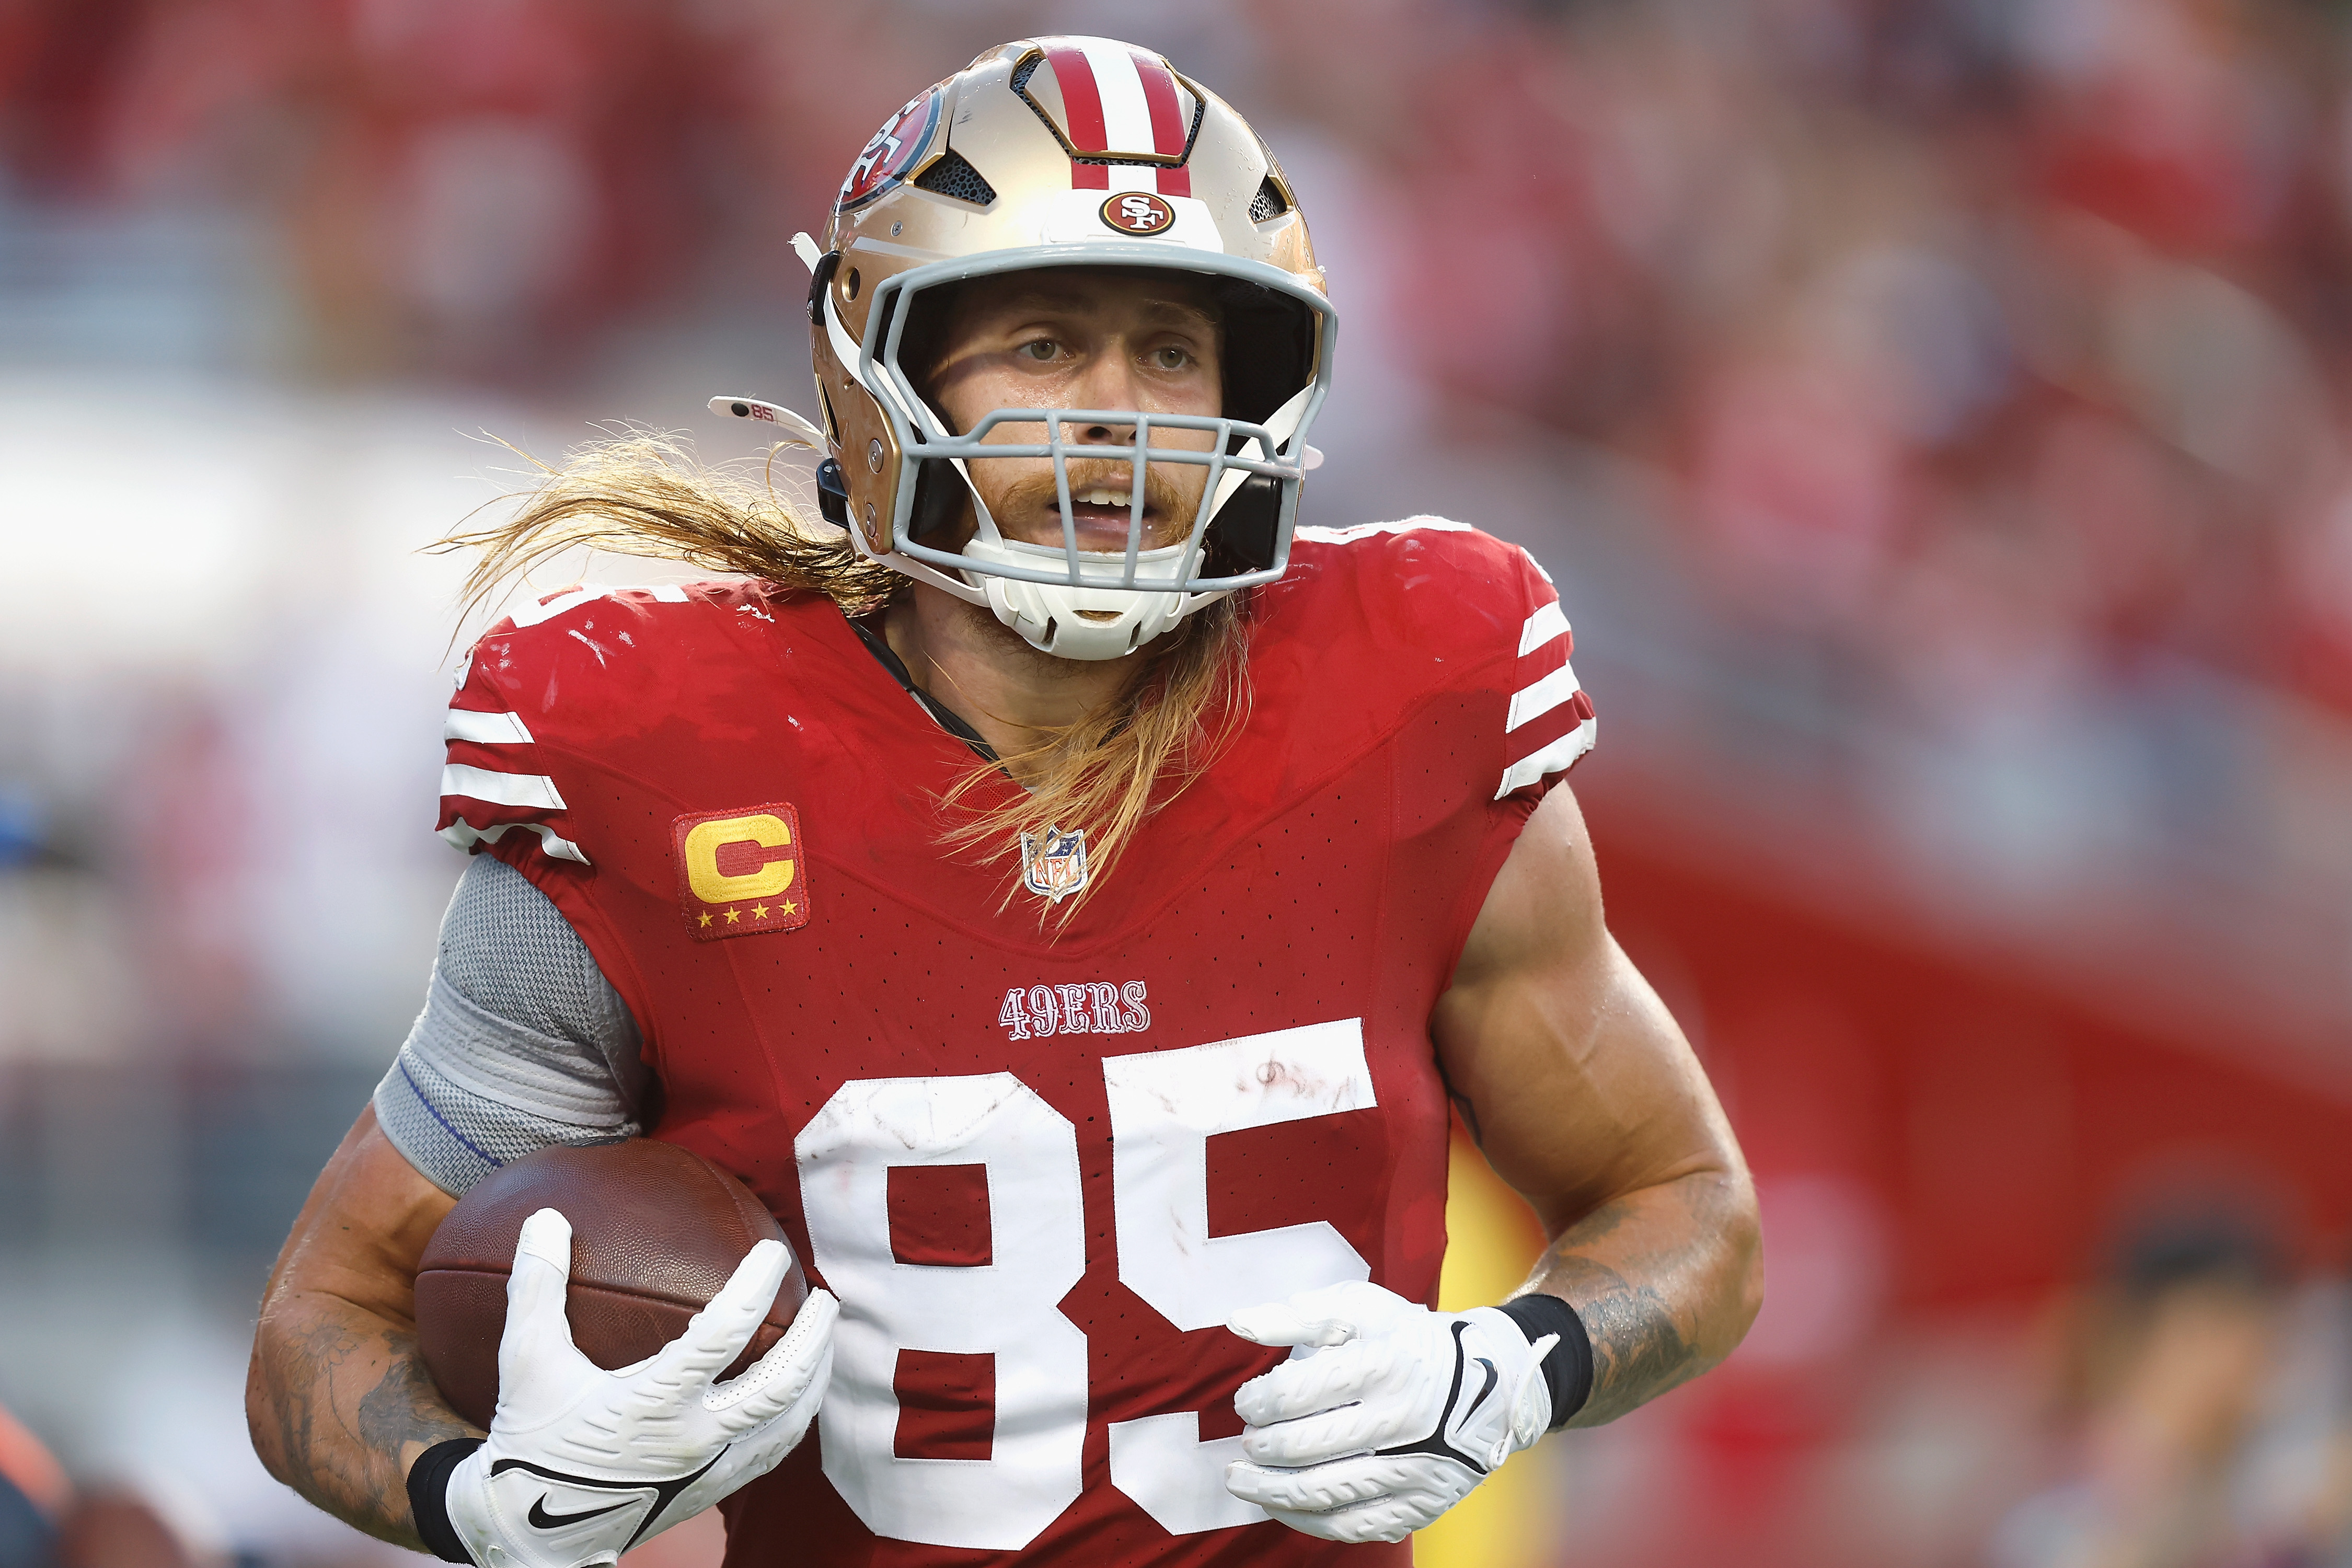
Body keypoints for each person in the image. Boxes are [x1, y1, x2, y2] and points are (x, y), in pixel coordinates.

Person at [245, 34, 1761, 1568]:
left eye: (1172, 350)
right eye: (1041, 343)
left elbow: (1686, 1206)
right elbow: (327, 1321)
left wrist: (1515, 1365)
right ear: (876, 372)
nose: (1116, 410)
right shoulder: (662, 757)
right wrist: (479, 1500)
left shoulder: (1410, 695)